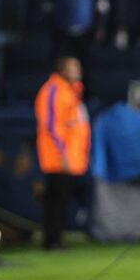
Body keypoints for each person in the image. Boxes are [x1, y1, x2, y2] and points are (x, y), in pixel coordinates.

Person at [34, 56, 91, 250]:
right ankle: (51, 241)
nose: (78, 71)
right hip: (58, 158)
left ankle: (56, 239)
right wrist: (63, 153)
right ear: (62, 70)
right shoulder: (53, 90)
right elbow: (50, 125)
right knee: (55, 202)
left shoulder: (71, 91)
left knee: (61, 201)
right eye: (74, 67)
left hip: (70, 158)